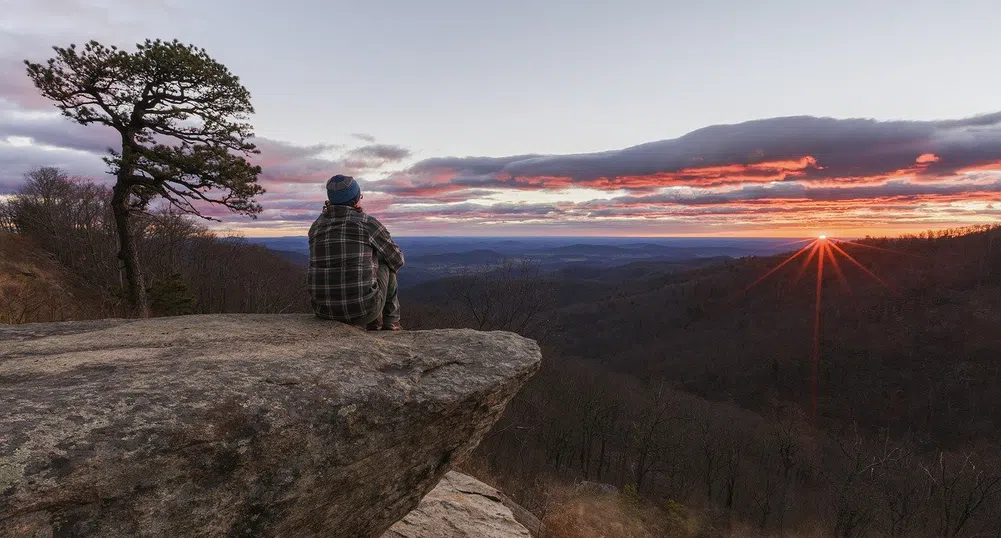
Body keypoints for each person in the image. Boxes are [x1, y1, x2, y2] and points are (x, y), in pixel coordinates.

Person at [307, 174, 404, 330]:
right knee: (386, 260)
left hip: (323, 310)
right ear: (356, 199)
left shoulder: (316, 226)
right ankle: (391, 324)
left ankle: (377, 323)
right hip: (364, 312)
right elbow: (397, 259)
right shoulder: (367, 223)